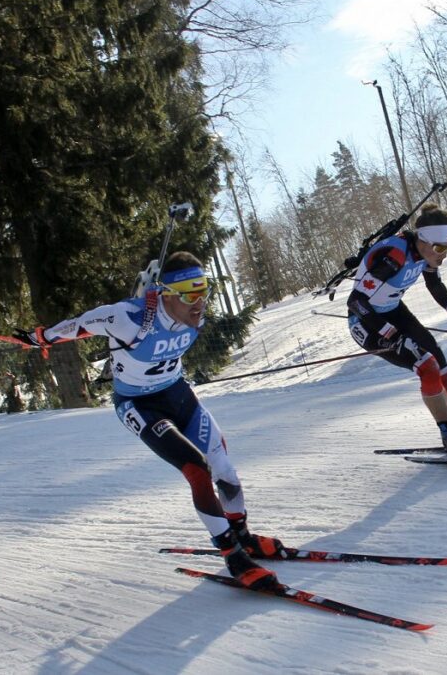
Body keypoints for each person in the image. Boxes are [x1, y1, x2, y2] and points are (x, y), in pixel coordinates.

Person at [15, 252, 286, 590]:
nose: (199, 303)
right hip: (139, 405)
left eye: (204, 292)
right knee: (196, 468)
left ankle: (242, 535)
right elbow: (79, 325)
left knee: (224, 467)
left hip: (178, 395)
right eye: (189, 294)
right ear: (167, 294)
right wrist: (41, 337)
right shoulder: (126, 317)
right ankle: (233, 555)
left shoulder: (194, 314)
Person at [346, 203, 447, 464]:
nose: (443, 254)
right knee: (428, 367)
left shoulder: (425, 253)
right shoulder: (395, 256)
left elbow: (434, 282)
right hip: (367, 321)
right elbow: (356, 301)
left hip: (394, 311)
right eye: (439, 248)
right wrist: (388, 333)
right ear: (422, 240)